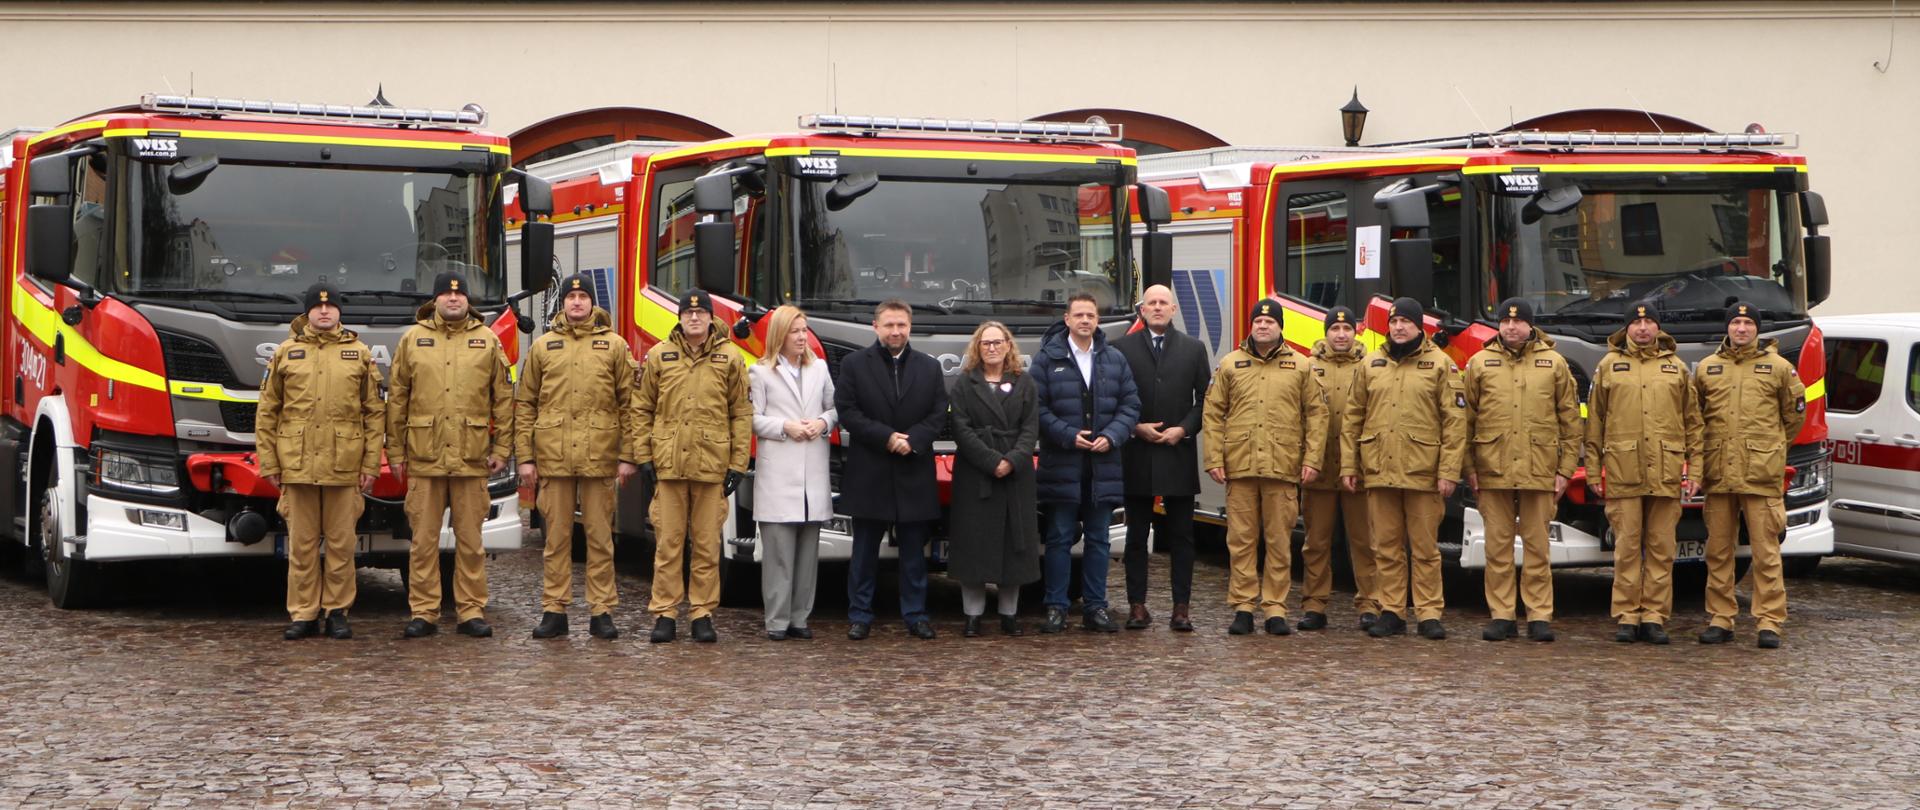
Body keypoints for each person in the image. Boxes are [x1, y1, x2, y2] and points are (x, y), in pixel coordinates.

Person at [387, 271, 514, 639]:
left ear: (467, 301)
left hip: (471, 458)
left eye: (459, 296)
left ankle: (470, 611)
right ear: (435, 300)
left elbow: (503, 401)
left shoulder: (487, 341)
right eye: (446, 295)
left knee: (471, 542)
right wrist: (395, 451)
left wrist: (502, 448)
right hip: (424, 457)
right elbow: (397, 400)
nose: (453, 300)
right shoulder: (413, 340)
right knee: (423, 542)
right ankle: (424, 612)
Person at [514, 273, 639, 641]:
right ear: (562, 303)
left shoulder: (614, 346)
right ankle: (554, 609)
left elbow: (630, 404)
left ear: (592, 303)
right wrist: (525, 458)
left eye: (583, 296)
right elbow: (526, 406)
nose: (577, 303)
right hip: (553, 459)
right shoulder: (542, 347)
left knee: (600, 538)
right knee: (557, 539)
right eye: (571, 297)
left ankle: (602, 610)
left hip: (600, 457)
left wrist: (628, 455)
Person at [256, 283, 383, 641]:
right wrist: (270, 463)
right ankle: (304, 613)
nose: (324, 312)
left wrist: (370, 465)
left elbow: (374, 414)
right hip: (297, 465)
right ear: (307, 312)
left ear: (339, 312)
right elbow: (268, 413)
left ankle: (337, 612)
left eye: (330, 307)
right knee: (302, 545)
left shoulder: (359, 354)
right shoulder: (285, 353)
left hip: (344, 465)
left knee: (342, 545)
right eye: (317, 307)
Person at [1341, 297, 1466, 641]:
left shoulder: (1441, 364)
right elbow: (1353, 417)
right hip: (1379, 470)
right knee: (1386, 546)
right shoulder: (1371, 364)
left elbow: (1454, 423)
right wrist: (1350, 464)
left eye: (1406, 322)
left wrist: (1449, 471)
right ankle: (1392, 610)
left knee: (1425, 549)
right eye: (1394, 322)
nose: (1398, 327)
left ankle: (1428, 613)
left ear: (1419, 326)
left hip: (1423, 472)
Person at [1204, 298, 1328, 636]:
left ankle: (1275, 608)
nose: (1263, 326)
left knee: (1278, 541)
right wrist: (1214, 457)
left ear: (1280, 326)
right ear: (1250, 326)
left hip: (1283, 466)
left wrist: (1312, 459)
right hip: (1241, 467)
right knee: (1241, 541)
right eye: (1257, 321)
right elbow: (1213, 414)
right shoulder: (1230, 364)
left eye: (1270, 321)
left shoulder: (1301, 366)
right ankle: (1243, 607)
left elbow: (1317, 415)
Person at [633, 290, 752, 643]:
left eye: (700, 314)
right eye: (687, 314)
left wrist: (738, 464)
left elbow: (741, 414)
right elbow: (641, 409)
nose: (694, 319)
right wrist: (643, 456)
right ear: (680, 318)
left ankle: (701, 612)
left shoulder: (731, 358)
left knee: (705, 544)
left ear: (711, 318)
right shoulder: (659, 356)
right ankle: (665, 613)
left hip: (711, 463)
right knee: (668, 543)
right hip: (668, 464)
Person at [1461, 298, 1581, 643]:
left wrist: (1566, 469)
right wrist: (1468, 467)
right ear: (1498, 325)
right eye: (1505, 322)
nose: (1511, 328)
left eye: (1518, 322)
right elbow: (1465, 421)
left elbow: (1571, 423)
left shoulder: (1554, 364)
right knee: (1497, 547)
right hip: (1491, 469)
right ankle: (1502, 614)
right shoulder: (1480, 363)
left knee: (1537, 547)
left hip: (1540, 469)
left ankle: (1539, 615)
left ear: (1530, 325)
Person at [1585, 303, 1703, 645]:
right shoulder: (1608, 366)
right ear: (1626, 329)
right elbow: (1595, 424)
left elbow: (1693, 423)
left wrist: (1695, 468)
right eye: (1636, 322)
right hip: (1624, 471)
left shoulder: (1676, 368)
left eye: (1648, 321)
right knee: (1626, 547)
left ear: (1658, 327)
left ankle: (1654, 615)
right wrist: (1593, 469)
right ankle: (1626, 614)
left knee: (1662, 547)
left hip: (1665, 472)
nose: (1642, 328)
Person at [834, 300, 949, 640]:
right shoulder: (854, 364)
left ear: (909, 327)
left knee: (914, 552)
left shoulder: (929, 367)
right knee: (865, 551)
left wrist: (912, 439)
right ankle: (860, 614)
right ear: (876, 327)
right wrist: (886, 437)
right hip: (871, 467)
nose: (896, 331)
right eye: (889, 325)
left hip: (913, 467)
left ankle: (915, 614)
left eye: (901, 325)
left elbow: (939, 411)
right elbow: (847, 411)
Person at [1695, 301, 1806, 649]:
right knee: (1717, 551)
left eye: (1747, 323)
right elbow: (1696, 420)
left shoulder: (1779, 369)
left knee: (1766, 552)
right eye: (1736, 323)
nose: (1741, 329)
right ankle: (1720, 618)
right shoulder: (1707, 369)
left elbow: (1794, 418)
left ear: (1757, 329)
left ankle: (1769, 621)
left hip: (1761, 475)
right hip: (1719, 473)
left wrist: (1769, 449)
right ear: (1727, 327)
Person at [1031, 292, 1140, 634]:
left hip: (1103, 464)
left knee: (1098, 539)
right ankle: (1056, 607)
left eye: (1090, 315)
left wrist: (1113, 435)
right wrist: (1066, 434)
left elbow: (1131, 404)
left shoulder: (1113, 358)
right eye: (1078, 315)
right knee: (1060, 537)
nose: (1085, 321)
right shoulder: (1047, 359)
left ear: (1097, 320)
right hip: (1061, 462)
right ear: (1067, 319)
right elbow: (1036, 407)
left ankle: (1095, 608)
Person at [1113, 284, 1210, 631]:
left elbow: (1204, 401)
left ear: (1173, 309)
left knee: (1182, 536)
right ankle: (1137, 605)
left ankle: (1181, 608)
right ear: (1142, 309)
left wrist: (1182, 430)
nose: (1156, 308)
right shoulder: (1120, 348)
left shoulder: (1193, 349)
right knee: (1136, 536)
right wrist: (1134, 427)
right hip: (1136, 452)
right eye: (1151, 303)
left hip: (1176, 452)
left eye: (1163, 303)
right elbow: (1112, 399)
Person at [747, 305, 837, 641]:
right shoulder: (760, 372)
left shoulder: (820, 370)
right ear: (779, 336)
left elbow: (834, 407)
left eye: (804, 330)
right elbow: (752, 419)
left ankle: (801, 617)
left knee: (806, 555)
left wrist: (823, 422)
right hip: (779, 471)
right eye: (795, 331)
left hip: (812, 471)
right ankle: (777, 620)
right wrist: (784, 426)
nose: (802, 337)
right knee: (779, 556)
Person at [1302, 306, 1378, 631]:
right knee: (1316, 543)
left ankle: (1370, 604)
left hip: (1358, 470)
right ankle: (1314, 605)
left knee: (1365, 542)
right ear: (1326, 332)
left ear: (1356, 332)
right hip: (1319, 470)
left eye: (1347, 329)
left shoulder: (1371, 367)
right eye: (1335, 329)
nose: (1341, 335)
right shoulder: (1307, 367)